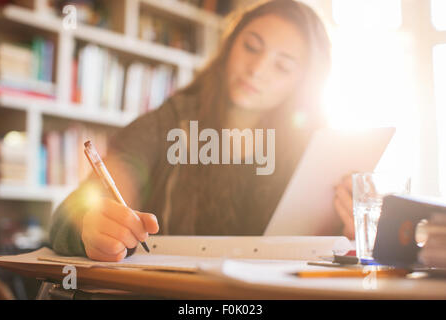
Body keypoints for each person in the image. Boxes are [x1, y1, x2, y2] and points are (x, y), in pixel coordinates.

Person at [49, 0, 354, 262]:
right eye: (251, 47)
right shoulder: (168, 123)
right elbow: (68, 216)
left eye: (283, 67)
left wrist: (354, 232)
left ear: (303, 83)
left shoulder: (317, 152)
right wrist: (89, 228)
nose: (257, 69)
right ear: (230, 43)